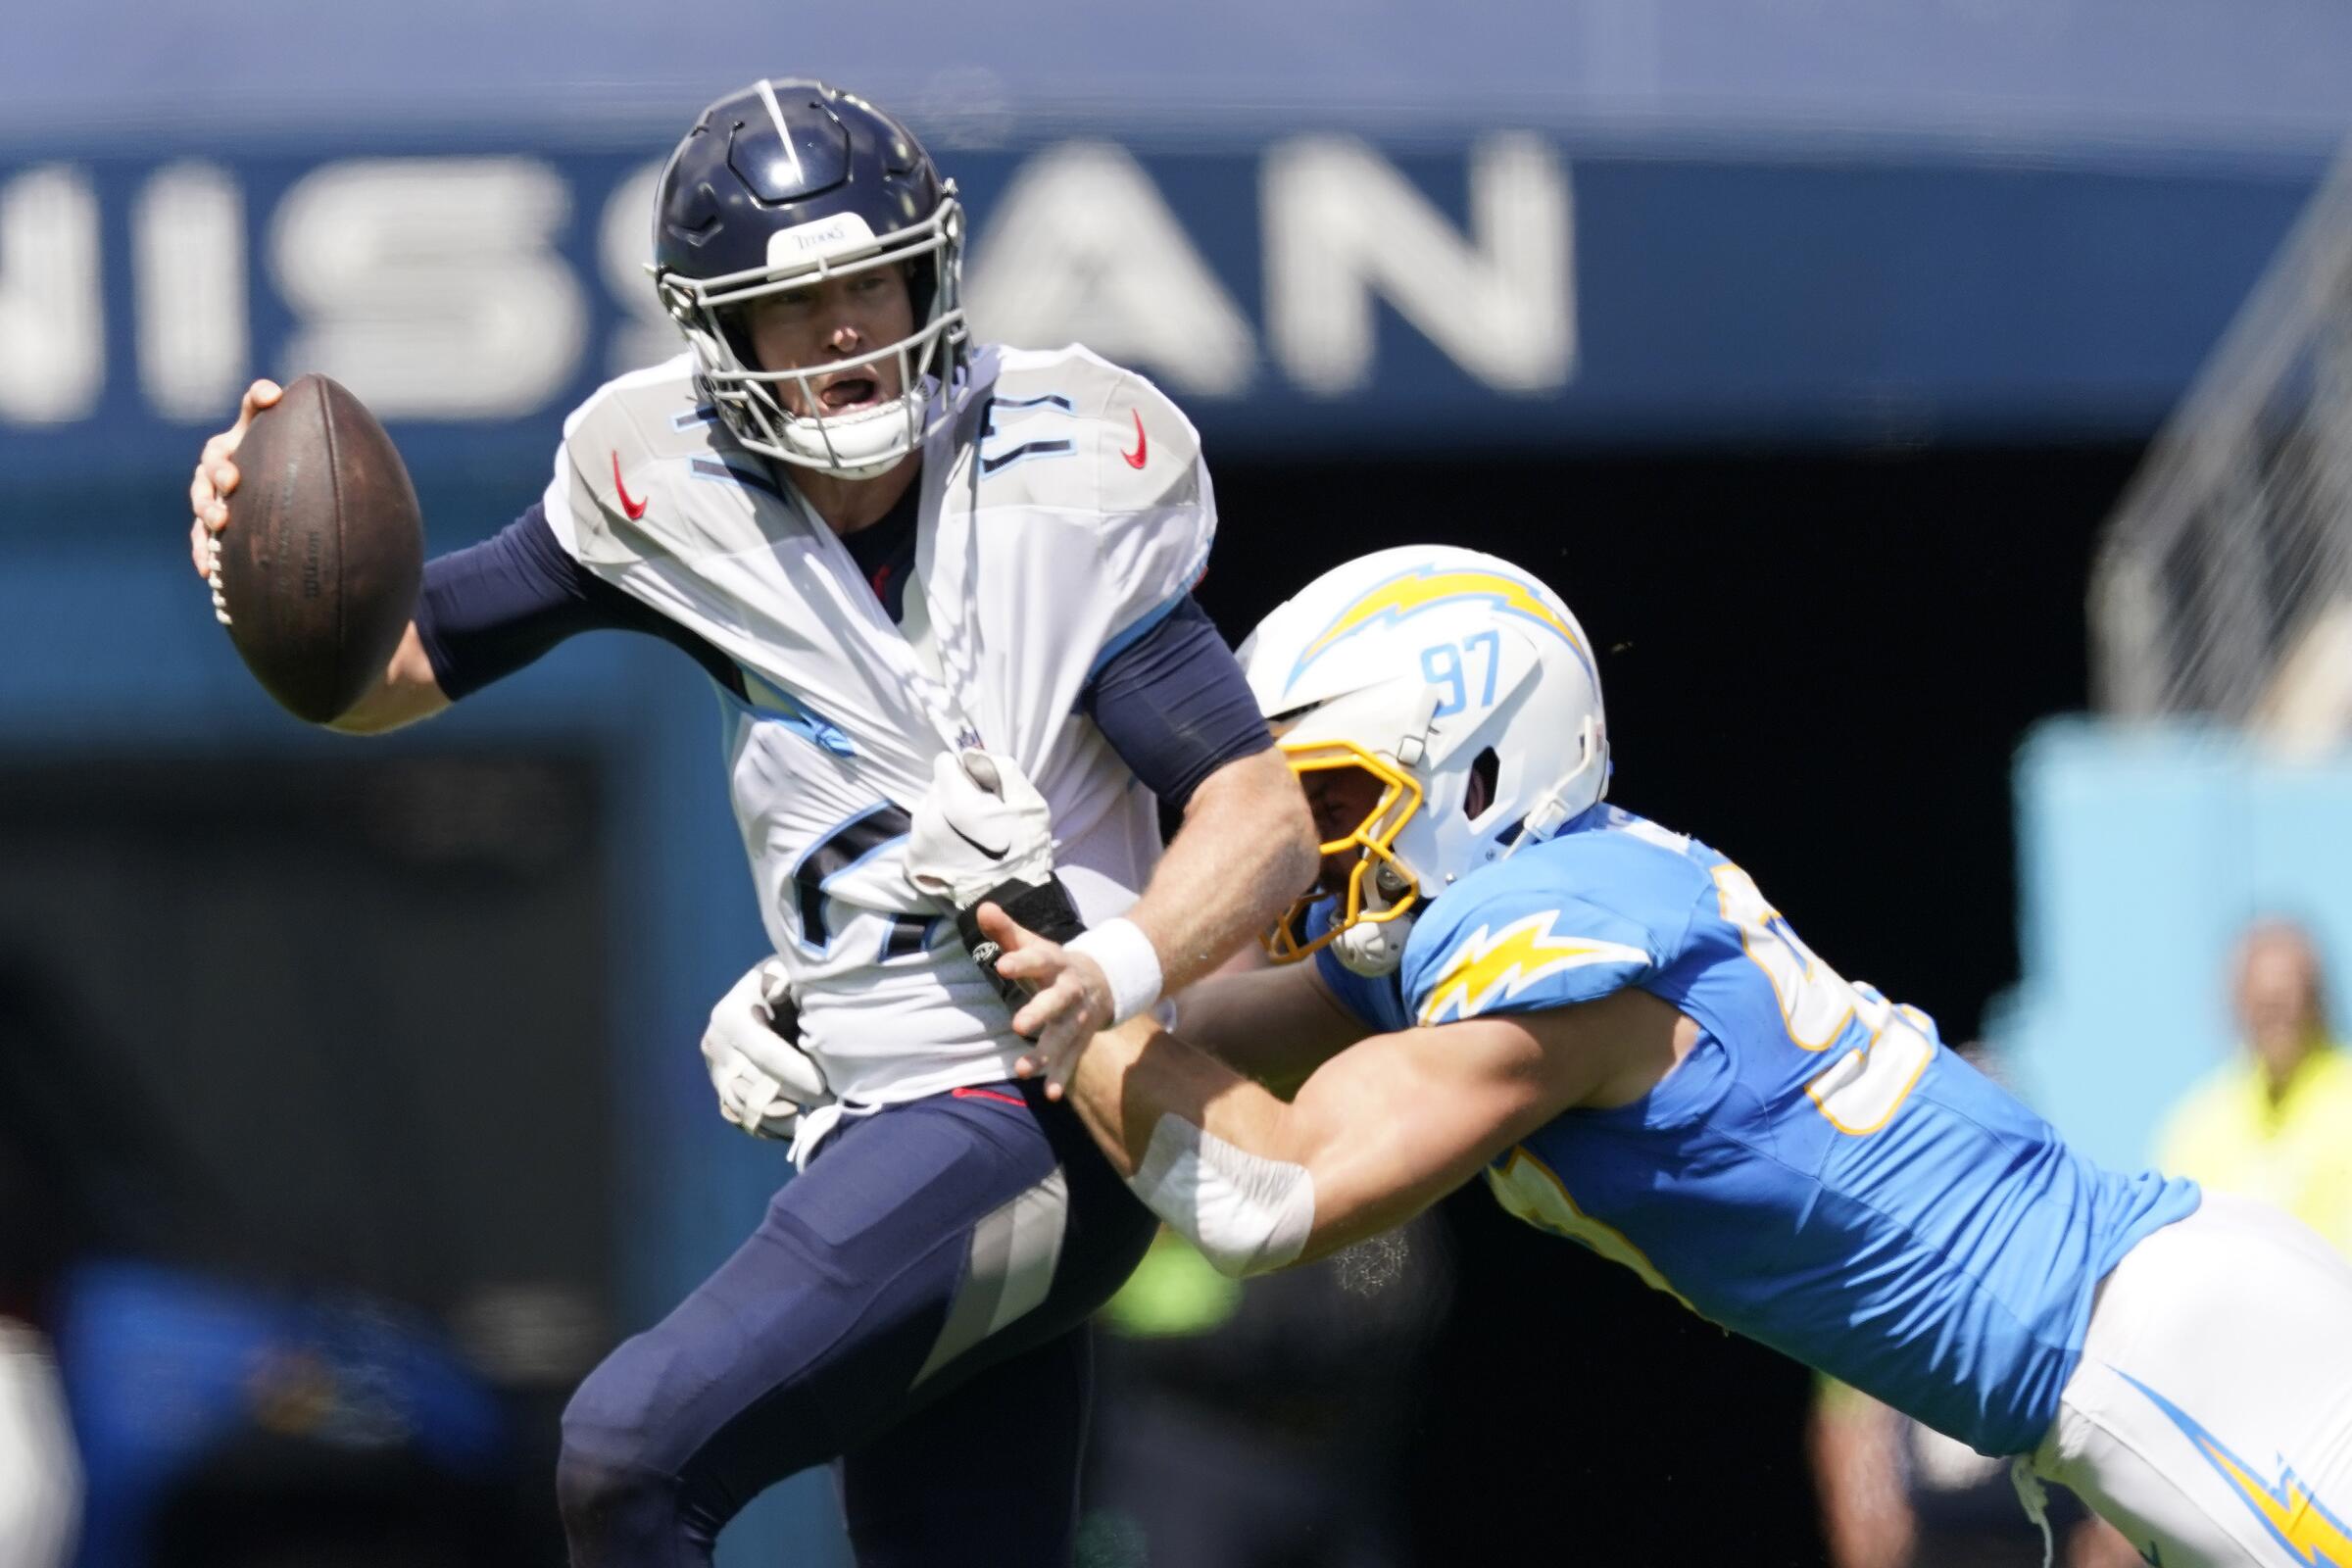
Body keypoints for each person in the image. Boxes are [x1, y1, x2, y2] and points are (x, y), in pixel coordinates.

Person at [186, 78, 1318, 1566]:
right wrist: (265, 565)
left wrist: (1120, 965)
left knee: (628, 1453)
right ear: (718, 333)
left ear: (931, 275)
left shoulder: (1066, 477)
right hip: (880, 1112)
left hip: (1037, 1104)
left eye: (869, 283)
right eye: (797, 305)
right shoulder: (665, 485)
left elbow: (1262, 817)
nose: (846, 328)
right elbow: (383, 673)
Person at [958, 544, 2352, 1568]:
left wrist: (1057, 982)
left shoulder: (1548, 956)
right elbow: (1188, 1031)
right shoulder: (1519, 902)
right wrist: (950, 983)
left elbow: (1267, 1189)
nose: (1295, 859)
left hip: (2156, 1358)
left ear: (1476, 776)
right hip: (2123, 1364)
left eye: (1326, 804)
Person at [2155, 917, 2352, 1258]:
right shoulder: (2198, 1124)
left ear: (2317, 1000)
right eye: (2263, 1007)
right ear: (2237, 1008)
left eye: (2288, 1002)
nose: (2276, 1021)